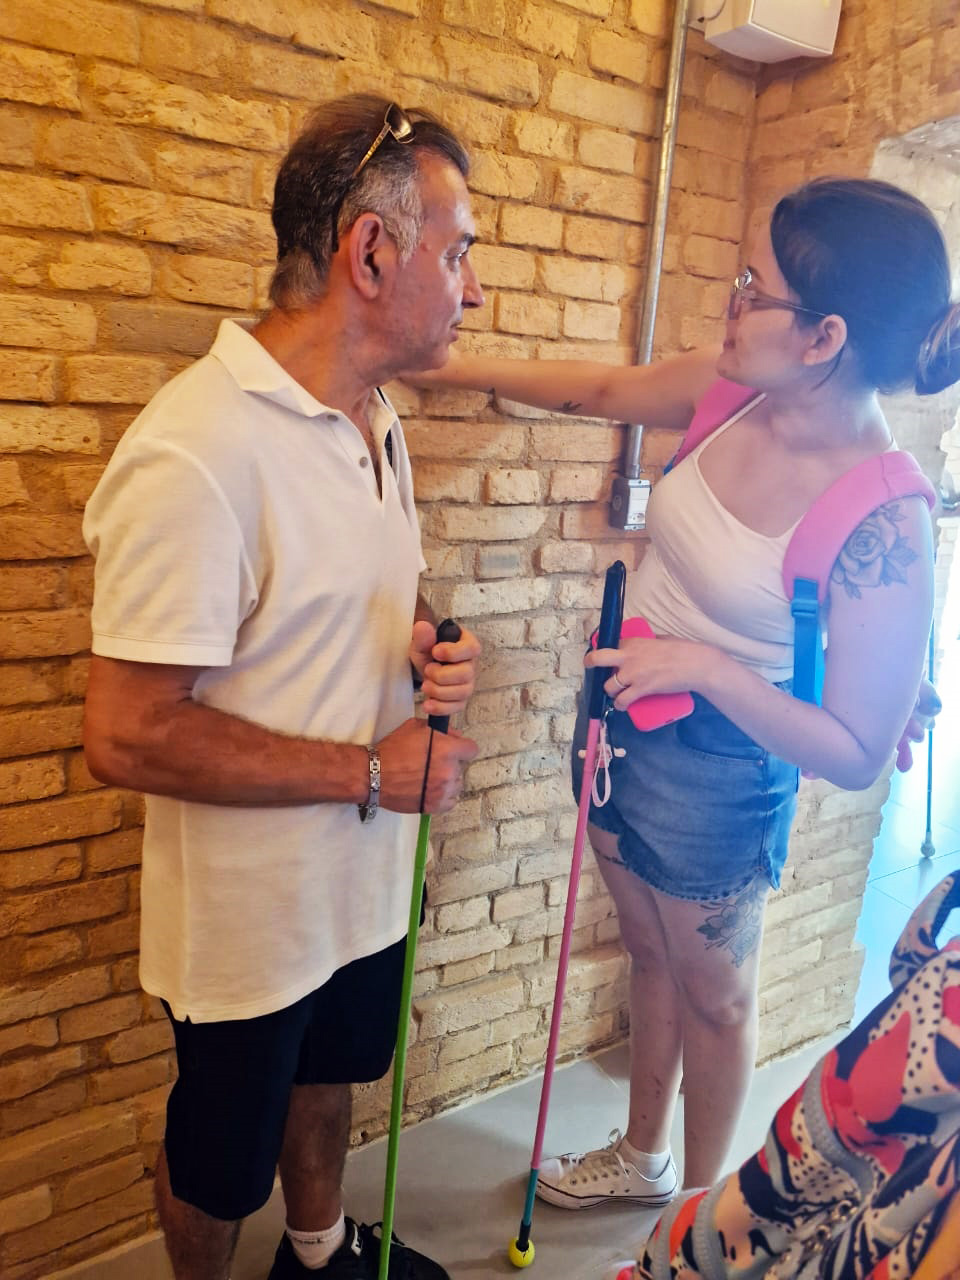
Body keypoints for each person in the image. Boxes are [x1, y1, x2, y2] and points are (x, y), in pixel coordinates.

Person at [406, 178, 957, 1212]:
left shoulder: (886, 517)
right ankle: (644, 1157)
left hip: (720, 767)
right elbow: (601, 388)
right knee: (649, 953)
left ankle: (701, 1231)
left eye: (756, 288)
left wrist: (704, 667)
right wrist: (439, 363)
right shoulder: (736, 386)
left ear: (825, 336)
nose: (731, 301)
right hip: (624, 718)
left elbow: (854, 751)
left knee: (716, 996)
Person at [82, 95, 484, 1280]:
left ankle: (318, 1254)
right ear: (373, 251)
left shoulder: (377, 416)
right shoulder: (195, 450)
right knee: (219, 1164)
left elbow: (348, 596)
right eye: (458, 252)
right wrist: (369, 770)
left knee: (334, 1078)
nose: (473, 287)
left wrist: (422, 641)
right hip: (249, 925)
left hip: (363, 882)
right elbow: (126, 733)